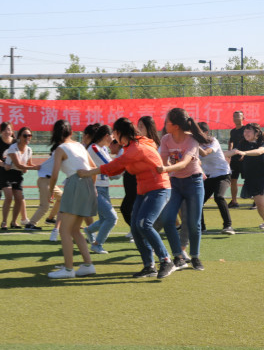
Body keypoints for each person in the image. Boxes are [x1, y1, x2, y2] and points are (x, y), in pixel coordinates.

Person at [77, 117, 176, 278]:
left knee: (144, 224)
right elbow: (117, 169)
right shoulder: (135, 144)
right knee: (136, 228)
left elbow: (114, 166)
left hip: (159, 189)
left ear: (117, 133)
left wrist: (88, 172)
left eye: (114, 134)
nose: (113, 139)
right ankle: (149, 266)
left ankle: (166, 260)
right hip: (143, 190)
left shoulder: (136, 148)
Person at [156, 108, 210, 272]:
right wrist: (160, 168)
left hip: (194, 183)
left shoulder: (192, 140)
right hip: (175, 184)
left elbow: (184, 163)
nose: (164, 124)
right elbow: (162, 160)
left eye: (167, 122)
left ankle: (194, 256)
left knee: (193, 223)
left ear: (175, 126)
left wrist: (164, 169)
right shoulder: (166, 139)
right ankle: (178, 256)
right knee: (167, 220)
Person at [46, 120, 97, 279]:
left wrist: (50, 191)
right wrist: (90, 187)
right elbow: (94, 167)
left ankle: (68, 269)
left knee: (64, 230)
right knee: (75, 230)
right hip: (88, 184)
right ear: (71, 132)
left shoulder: (60, 149)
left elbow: (54, 175)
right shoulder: (80, 145)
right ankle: (88, 265)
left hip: (75, 183)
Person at [83, 125, 118, 254]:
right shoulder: (94, 148)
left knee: (105, 219)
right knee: (112, 218)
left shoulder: (102, 148)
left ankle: (89, 230)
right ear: (107, 136)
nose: (113, 140)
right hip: (95, 188)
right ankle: (97, 244)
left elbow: (111, 166)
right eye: (112, 137)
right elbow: (111, 166)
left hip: (103, 187)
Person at [197, 122, 234, 235]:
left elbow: (205, 153)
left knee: (219, 197)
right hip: (209, 176)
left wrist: (193, 145)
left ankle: (228, 226)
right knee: (198, 201)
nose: (194, 135)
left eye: (197, 133)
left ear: (206, 133)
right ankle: (201, 227)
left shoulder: (213, 141)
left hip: (223, 174)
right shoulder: (195, 143)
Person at [4, 127, 40, 229]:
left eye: (29, 135)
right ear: (19, 136)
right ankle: (3, 222)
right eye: (25, 135)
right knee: (9, 197)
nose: (27, 137)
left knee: (19, 199)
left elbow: (29, 164)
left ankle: (13, 222)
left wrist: (41, 167)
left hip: (18, 175)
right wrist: (34, 168)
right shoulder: (13, 148)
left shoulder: (29, 150)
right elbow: (19, 165)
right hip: (7, 174)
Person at [232, 123, 264, 229]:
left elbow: (259, 152)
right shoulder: (243, 144)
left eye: (249, 130)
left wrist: (244, 153)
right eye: (245, 131)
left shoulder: (262, 143)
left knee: (261, 203)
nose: (246, 133)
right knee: (260, 204)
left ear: (257, 133)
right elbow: (233, 152)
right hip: (252, 178)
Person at [27, 149, 63, 239]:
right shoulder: (59, 152)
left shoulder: (60, 153)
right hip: (45, 181)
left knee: (62, 198)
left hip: (49, 181)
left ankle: (50, 219)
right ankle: (31, 224)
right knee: (45, 206)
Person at [228, 111, 246, 208]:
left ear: (243, 117)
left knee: (249, 179)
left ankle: (256, 202)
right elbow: (230, 141)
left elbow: (249, 142)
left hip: (245, 158)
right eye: (234, 116)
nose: (236, 118)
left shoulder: (246, 129)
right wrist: (229, 152)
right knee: (233, 179)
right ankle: (234, 201)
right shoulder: (233, 131)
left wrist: (244, 154)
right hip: (235, 159)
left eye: (238, 116)